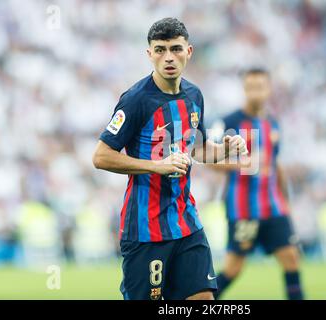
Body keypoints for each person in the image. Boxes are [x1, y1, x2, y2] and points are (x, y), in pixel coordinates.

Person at [92, 17, 247, 300]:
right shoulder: (136, 100)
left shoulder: (194, 95)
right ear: (149, 54)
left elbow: (196, 149)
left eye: (175, 49)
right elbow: (101, 156)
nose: (168, 57)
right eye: (160, 50)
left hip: (186, 222)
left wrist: (225, 148)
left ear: (189, 51)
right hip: (146, 229)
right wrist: (156, 166)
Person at [212, 68, 304, 300]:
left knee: (291, 258)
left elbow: (276, 164)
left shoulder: (273, 124)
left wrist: (286, 203)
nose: (256, 93)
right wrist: (241, 164)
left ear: (269, 89)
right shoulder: (229, 122)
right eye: (251, 87)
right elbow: (209, 159)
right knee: (233, 268)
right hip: (242, 209)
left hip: (273, 206)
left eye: (260, 87)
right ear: (244, 89)